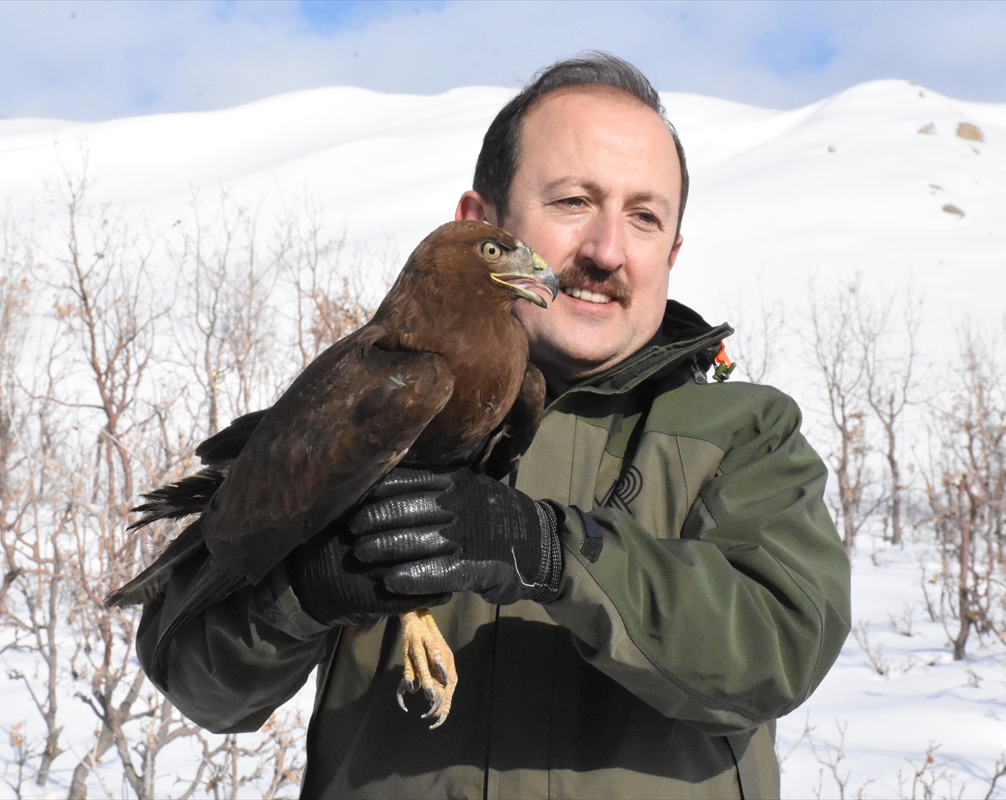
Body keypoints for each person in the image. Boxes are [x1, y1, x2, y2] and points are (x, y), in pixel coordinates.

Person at [138, 52, 851, 799]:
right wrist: (305, 590)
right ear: (480, 224)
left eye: (644, 217)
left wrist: (550, 552)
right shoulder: (376, 391)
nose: (606, 251)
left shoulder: (743, 431)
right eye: (573, 202)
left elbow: (779, 649)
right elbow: (201, 685)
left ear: (671, 253)